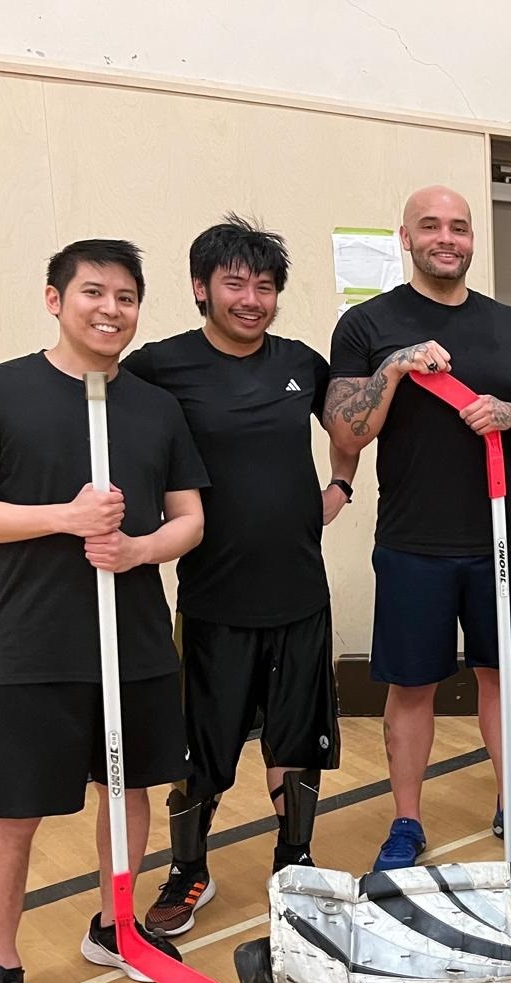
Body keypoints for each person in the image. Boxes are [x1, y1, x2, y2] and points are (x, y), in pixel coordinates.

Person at [0, 240, 207, 983]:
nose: (110, 310)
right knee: (11, 816)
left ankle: (115, 925)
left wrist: (135, 549)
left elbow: (190, 519)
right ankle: (0, 965)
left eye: (126, 297)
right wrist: (65, 517)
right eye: (93, 293)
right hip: (32, 645)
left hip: (136, 644)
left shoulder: (155, 407)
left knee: (126, 794)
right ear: (54, 299)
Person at [123, 216, 359, 936]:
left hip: (299, 594)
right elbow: (108, 425)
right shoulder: (160, 366)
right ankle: (189, 869)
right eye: (235, 282)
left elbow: (350, 429)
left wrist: (341, 486)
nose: (251, 297)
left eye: (264, 285)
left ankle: (295, 857)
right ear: (202, 288)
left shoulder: (300, 361)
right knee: (203, 750)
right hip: (212, 598)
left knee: (299, 739)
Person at [324, 186, 511, 870]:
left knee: (502, 674)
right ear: (405, 237)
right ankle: (405, 821)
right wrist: (396, 367)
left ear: (472, 239)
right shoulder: (367, 325)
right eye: (431, 226)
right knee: (412, 686)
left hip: (498, 540)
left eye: (458, 227)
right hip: (411, 542)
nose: (446, 237)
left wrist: (509, 414)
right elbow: (347, 429)